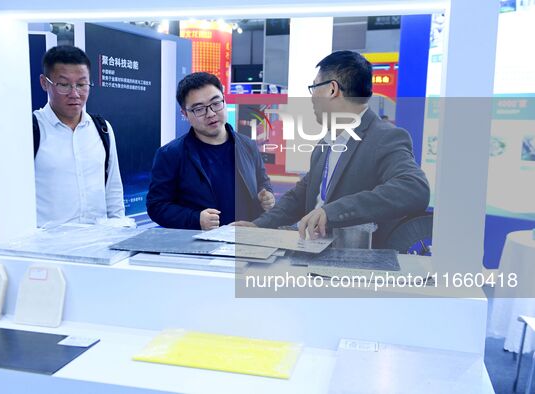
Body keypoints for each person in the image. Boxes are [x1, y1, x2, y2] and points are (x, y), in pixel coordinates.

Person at [236, 50, 430, 247]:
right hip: (311, 254)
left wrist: (331, 212)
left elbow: (414, 188)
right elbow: (300, 196)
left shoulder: (384, 137)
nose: (312, 98)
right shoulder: (325, 143)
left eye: (314, 88)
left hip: (355, 264)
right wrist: (258, 226)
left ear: (332, 89)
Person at [146, 72, 274, 231]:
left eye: (216, 103)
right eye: (199, 109)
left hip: (245, 242)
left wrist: (267, 195)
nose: (211, 113)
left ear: (224, 101)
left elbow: (263, 182)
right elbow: (157, 206)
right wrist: (195, 219)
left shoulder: (248, 146)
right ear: (185, 114)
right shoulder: (170, 155)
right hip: (199, 248)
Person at [34, 45, 124, 227]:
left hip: (98, 241)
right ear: (45, 83)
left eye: (82, 84)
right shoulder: (31, 130)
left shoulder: (102, 128)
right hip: (46, 246)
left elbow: (113, 189)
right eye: (64, 85)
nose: (74, 94)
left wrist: (118, 229)